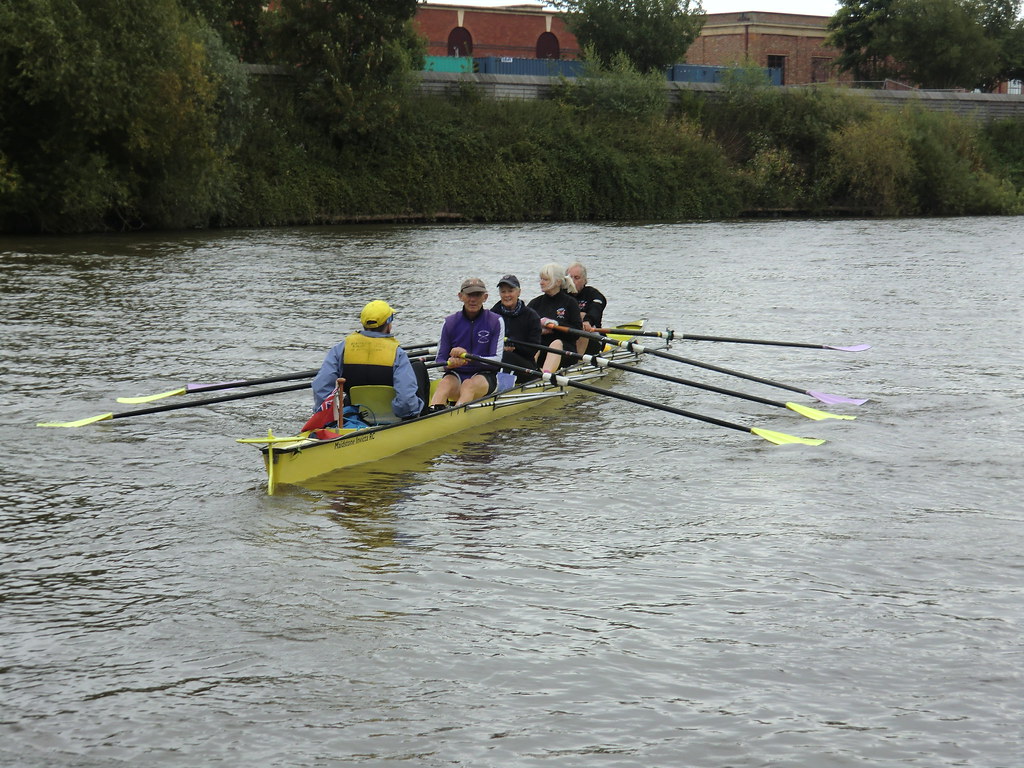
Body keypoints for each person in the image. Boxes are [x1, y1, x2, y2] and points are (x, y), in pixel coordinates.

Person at [309, 300, 425, 427]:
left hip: (355, 416)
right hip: (392, 419)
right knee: (418, 367)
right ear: (389, 324)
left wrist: (327, 418)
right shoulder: (398, 353)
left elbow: (321, 386)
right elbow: (405, 399)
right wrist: (410, 414)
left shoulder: (341, 349)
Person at [429, 278, 505, 410]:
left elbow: (497, 360)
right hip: (456, 375)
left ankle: (455, 416)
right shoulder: (449, 323)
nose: (473, 299)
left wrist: (469, 358)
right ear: (461, 296)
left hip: (484, 376)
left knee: (468, 385)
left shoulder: (496, 321)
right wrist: (450, 364)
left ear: (485, 297)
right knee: (444, 384)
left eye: (477, 295)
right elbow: (439, 362)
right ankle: (431, 414)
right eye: (469, 295)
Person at [526, 262, 582, 372]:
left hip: (564, 351)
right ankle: (527, 373)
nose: (541, 283)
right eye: (541, 279)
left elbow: (577, 333)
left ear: (558, 282)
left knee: (556, 343)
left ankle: (545, 376)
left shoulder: (570, 303)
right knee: (534, 342)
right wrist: (538, 329)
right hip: (541, 349)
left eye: (545, 280)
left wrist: (555, 326)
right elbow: (523, 327)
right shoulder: (535, 303)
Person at [489, 274, 542, 381]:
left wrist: (514, 347)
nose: (507, 295)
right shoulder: (492, 315)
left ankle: (501, 389)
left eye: (510, 291)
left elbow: (533, 349)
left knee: (507, 356)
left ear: (519, 292)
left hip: (525, 363)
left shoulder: (531, 316)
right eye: (503, 292)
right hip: (497, 359)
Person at [567, 261, 607, 355]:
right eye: (570, 278)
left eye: (576, 278)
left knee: (581, 316)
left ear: (585, 280)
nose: (572, 281)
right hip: (568, 338)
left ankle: (576, 360)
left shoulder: (593, 294)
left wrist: (588, 320)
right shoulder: (562, 295)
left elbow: (596, 309)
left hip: (593, 338)